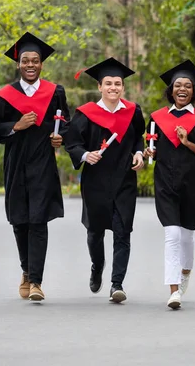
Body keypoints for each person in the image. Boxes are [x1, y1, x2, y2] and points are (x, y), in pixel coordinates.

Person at [0, 32, 69, 301]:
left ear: (42, 64)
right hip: (16, 161)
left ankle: (36, 282)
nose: (30, 64)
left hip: (43, 162)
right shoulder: (5, 96)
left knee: (38, 219)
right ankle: (26, 271)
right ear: (18, 64)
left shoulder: (55, 92)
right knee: (20, 220)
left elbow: (65, 121)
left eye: (35, 60)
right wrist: (15, 126)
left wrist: (60, 136)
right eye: (25, 61)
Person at [65, 57, 145, 303]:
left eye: (118, 83)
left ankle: (117, 284)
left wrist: (140, 153)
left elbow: (137, 138)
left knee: (123, 232)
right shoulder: (86, 114)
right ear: (99, 87)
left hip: (124, 181)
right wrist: (85, 154)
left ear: (123, 87)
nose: (113, 87)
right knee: (94, 232)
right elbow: (72, 142)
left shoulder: (133, 112)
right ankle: (97, 265)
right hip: (95, 182)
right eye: (108, 83)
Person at [143, 60, 195, 309]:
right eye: (178, 85)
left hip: (191, 184)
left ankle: (185, 271)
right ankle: (173, 289)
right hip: (165, 184)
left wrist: (188, 144)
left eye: (187, 85)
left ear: (194, 92)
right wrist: (147, 153)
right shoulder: (156, 119)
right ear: (171, 90)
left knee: (186, 236)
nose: (182, 89)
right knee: (172, 234)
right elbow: (150, 147)